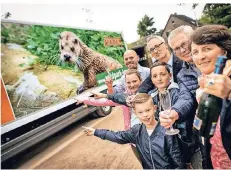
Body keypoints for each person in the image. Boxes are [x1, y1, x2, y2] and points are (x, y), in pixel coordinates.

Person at [82, 93, 185, 169]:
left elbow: (176, 158)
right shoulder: (136, 131)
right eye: (140, 112)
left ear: (154, 108)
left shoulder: (166, 130)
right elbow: (118, 136)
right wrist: (96, 132)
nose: (145, 115)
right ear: (135, 113)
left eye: (148, 110)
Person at [160, 25, 203, 169]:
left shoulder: (218, 56)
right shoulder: (182, 74)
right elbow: (186, 98)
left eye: (184, 44)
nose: (182, 50)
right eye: (176, 48)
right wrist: (174, 112)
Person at [191, 24, 231, 169]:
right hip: (214, 160)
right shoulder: (204, 81)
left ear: (224, 51)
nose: (200, 57)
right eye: (195, 52)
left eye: (207, 49)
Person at [76, 69, 143, 130]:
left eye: (134, 81)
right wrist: (84, 99)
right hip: (132, 133)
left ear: (141, 80)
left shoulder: (148, 95)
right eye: (128, 82)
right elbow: (105, 102)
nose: (132, 85)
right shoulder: (125, 96)